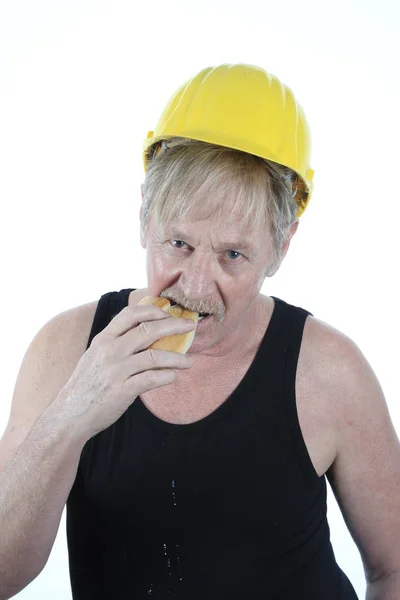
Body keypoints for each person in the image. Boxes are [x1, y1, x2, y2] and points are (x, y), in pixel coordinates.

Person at [0, 64, 399, 600]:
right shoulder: (65, 349)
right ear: (145, 218)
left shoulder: (331, 370)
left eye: (233, 255)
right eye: (179, 244)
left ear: (282, 247)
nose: (195, 286)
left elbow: (393, 567)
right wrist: (76, 407)